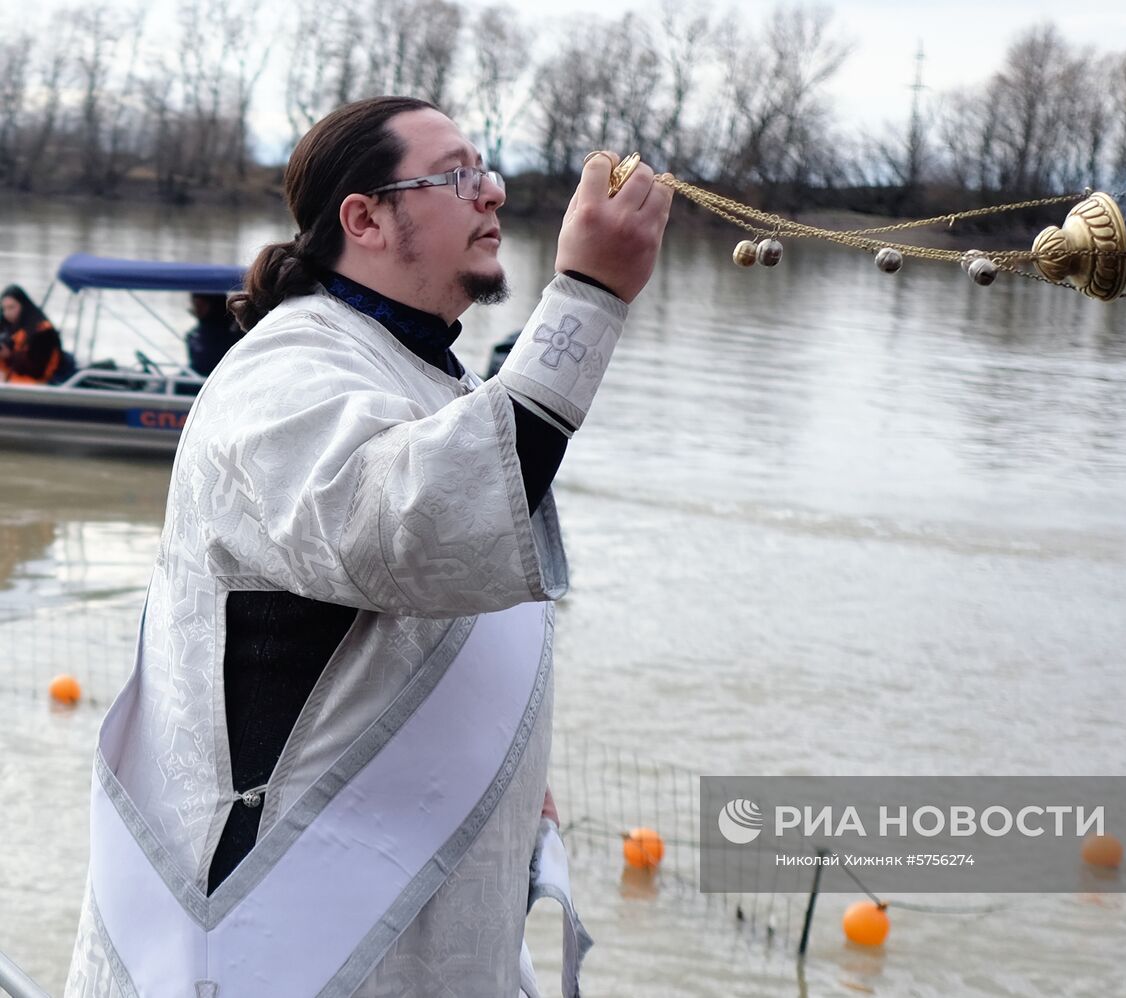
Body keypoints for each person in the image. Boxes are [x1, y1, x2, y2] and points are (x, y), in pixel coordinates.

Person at [65, 95, 671, 997]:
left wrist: (512, 782)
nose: (494, 193)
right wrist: (586, 301)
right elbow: (416, 530)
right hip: (278, 948)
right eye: (461, 174)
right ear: (366, 217)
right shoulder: (281, 373)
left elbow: (444, 619)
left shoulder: (429, 370)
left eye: (489, 168)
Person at [0, 284, 63, 384]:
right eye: (4, 309)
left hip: (34, 384)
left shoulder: (43, 331)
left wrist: (9, 356)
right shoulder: (7, 327)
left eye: (11, 307)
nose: (7, 313)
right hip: (9, 379)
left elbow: (37, 370)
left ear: (23, 306)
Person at [184, 292, 244, 376]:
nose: (197, 309)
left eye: (200, 305)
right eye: (195, 305)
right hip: (198, 375)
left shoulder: (233, 331)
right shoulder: (194, 334)